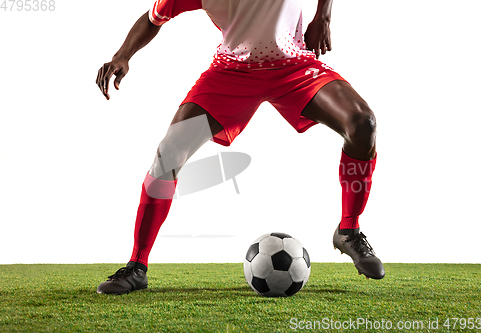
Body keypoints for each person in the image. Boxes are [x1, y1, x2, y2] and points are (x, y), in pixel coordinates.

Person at [95, 0, 384, 295]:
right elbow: (152, 18)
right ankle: (137, 266)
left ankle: (348, 230)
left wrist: (323, 16)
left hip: (295, 66)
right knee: (168, 153)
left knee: (363, 125)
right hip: (232, 72)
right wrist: (122, 56)